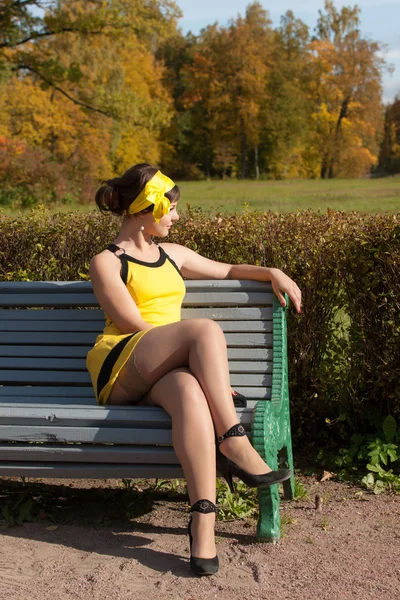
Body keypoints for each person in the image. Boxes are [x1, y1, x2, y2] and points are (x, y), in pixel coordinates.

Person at [86, 163, 302, 576]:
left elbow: (227, 270)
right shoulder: (107, 263)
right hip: (122, 364)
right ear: (146, 209)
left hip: (165, 367)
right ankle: (234, 441)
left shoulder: (173, 255)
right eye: (171, 207)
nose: (177, 216)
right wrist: (199, 357)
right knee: (202, 330)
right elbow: (134, 325)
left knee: (188, 392)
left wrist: (272, 271)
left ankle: (203, 520)